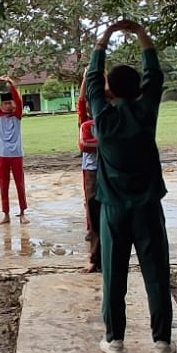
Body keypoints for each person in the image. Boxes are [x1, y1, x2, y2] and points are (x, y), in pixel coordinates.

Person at [85, 19, 174, 353]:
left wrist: (103, 40)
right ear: (138, 89)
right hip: (148, 206)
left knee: (114, 275)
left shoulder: (103, 119)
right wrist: (140, 34)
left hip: (114, 209)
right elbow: (155, 75)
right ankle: (162, 342)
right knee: (156, 273)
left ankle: (115, 340)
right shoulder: (146, 111)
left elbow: (93, 81)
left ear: (109, 89)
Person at [0, 75, 29, 223]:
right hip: (2, 155)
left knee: (20, 184)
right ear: (1, 106)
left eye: (10, 102)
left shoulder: (17, 116)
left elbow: (19, 102)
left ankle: (22, 212)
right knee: (3, 185)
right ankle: (6, 214)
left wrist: (11, 85)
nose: (8, 105)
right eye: (5, 103)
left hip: (16, 155)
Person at [79, 100, 101, 273]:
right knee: (94, 213)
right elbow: (85, 145)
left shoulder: (110, 120)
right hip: (93, 172)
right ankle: (95, 258)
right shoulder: (87, 125)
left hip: (110, 170)